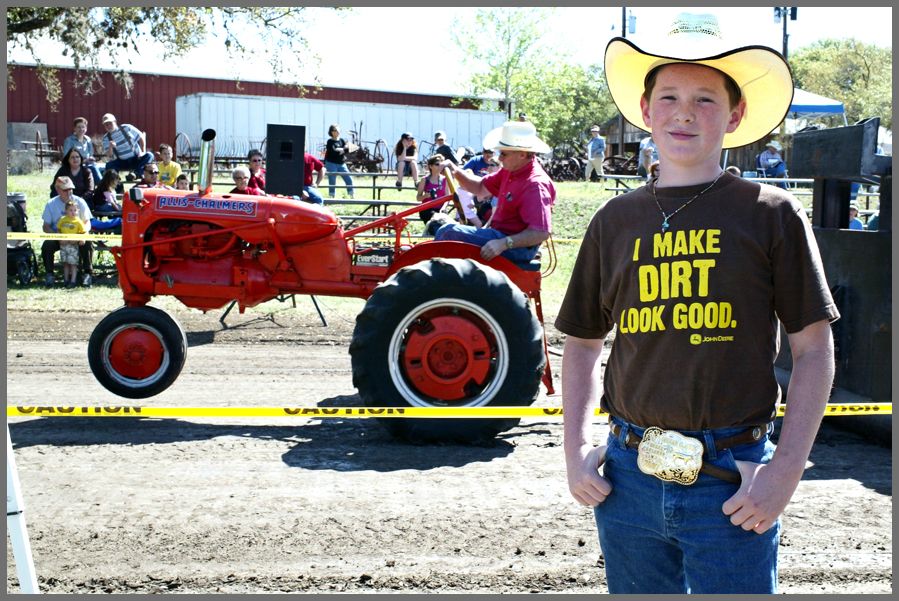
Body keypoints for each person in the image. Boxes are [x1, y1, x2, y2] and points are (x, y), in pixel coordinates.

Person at [558, 12, 839, 594]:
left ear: (736, 116)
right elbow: (583, 343)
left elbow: (814, 350)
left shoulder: (770, 214)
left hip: (733, 480)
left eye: (706, 99)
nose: (685, 112)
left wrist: (784, 472)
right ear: (644, 110)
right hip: (628, 476)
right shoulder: (614, 220)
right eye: (670, 96)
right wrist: (577, 447)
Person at [434, 120, 555, 263]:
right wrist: (455, 171)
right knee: (447, 232)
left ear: (522, 155)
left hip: (517, 248)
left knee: (448, 233)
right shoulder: (509, 171)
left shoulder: (535, 185)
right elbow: (479, 187)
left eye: (504, 154)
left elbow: (540, 233)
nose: (499, 158)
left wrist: (503, 244)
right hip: (501, 236)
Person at [42, 176, 94, 287]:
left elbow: (87, 223)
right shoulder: (51, 204)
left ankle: (87, 274)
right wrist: (58, 237)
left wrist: (81, 237)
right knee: (47, 245)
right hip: (59, 235)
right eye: (65, 189)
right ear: (58, 190)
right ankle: (50, 274)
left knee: (88, 243)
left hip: (77, 235)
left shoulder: (80, 202)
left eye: (71, 189)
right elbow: (46, 226)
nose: (69, 192)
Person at [101, 113, 153, 181]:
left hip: (136, 158)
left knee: (149, 155)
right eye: (106, 124)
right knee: (109, 165)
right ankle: (118, 185)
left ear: (115, 121)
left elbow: (141, 137)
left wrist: (143, 151)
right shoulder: (106, 138)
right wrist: (110, 147)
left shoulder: (126, 128)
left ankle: (135, 175)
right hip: (122, 161)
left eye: (110, 123)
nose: (109, 126)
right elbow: (109, 155)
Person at [61, 117, 102, 185]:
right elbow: (66, 157)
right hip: (75, 166)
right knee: (93, 168)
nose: (81, 129)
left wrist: (92, 159)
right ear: (75, 129)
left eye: (83, 127)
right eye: (79, 127)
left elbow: (91, 154)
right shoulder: (69, 140)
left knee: (104, 167)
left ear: (86, 128)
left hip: (88, 164)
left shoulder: (88, 140)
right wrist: (85, 161)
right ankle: (103, 188)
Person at [56, 200, 87, 289]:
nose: (73, 212)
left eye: (75, 210)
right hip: (63, 245)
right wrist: (60, 239)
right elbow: (58, 230)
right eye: (70, 210)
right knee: (65, 263)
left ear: (78, 211)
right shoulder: (62, 220)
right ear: (66, 211)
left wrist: (78, 240)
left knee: (73, 263)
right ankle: (65, 280)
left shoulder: (78, 222)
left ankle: (73, 281)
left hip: (73, 245)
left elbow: (83, 232)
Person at [416, 155, 449, 232]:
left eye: (441, 164)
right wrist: (425, 196)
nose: (439, 166)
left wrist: (443, 208)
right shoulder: (425, 180)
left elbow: (447, 197)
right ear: (430, 166)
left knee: (441, 221)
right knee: (437, 219)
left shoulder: (445, 179)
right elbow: (418, 198)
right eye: (437, 164)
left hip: (440, 210)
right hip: (426, 209)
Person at [324, 124, 355, 199]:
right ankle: (332, 196)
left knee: (348, 178)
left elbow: (348, 149)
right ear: (331, 132)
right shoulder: (330, 142)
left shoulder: (342, 140)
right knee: (332, 180)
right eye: (335, 130)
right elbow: (333, 152)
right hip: (331, 163)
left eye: (338, 130)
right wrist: (342, 150)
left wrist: (340, 150)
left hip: (341, 163)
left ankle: (352, 195)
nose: (337, 132)